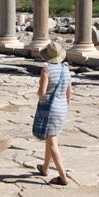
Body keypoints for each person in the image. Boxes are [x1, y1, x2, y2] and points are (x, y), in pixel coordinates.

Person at [31, 41, 71, 185]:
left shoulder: (46, 70)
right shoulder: (66, 70)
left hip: (49, 109)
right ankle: (45, 168)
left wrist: (40, 95)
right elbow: (69, 93)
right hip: (62, 108)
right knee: (51, 138)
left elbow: (42, 92)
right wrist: (64, 105)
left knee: (52, 142)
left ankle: (63, 177)